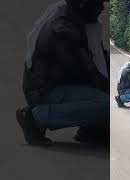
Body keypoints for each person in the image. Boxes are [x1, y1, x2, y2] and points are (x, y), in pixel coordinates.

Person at [16, 0, 109, 146]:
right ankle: (35, 118)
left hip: (57, 84)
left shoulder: (72, 17)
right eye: (97, 3)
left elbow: (99, 59)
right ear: (82, 4)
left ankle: (91, 129)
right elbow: (88, 72)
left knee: (105, 93)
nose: (102, 8)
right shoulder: (63, 31)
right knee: (107, 106)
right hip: (44, 91)